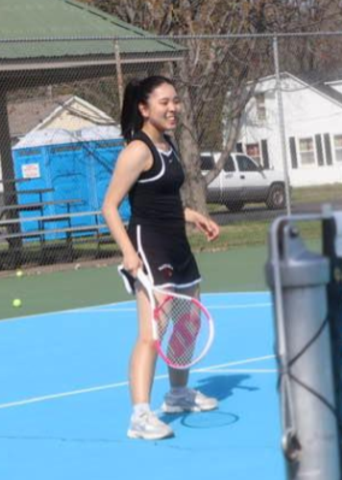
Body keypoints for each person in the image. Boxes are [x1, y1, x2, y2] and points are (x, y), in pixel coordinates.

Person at [102, 76, 222, 440]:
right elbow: (109, 206)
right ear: (144, 108)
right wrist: (128, 252)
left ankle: (178, 394)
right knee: (153, 332)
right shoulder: (137, 151)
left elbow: (162, 201)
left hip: (176, 243)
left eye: (175, 101)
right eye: (164, 102)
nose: (173, 108)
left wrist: (193, 215)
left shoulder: (167, 144)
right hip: (149, 245)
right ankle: (140, 415)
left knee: (189, 320)